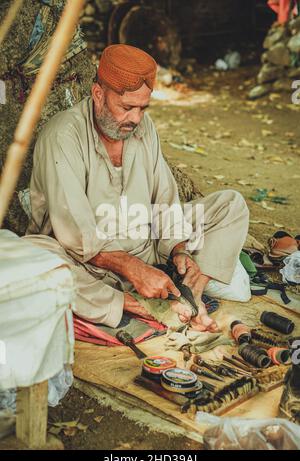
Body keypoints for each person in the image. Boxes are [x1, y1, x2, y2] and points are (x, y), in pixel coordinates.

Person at [25, 44, 250, 331]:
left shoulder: (143, 128)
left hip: (148, 245)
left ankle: (190, 294)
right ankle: (132, 304)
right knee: (31, 256)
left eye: (143, 108)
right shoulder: (62, 136)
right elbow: (75, 232)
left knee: (230, 205)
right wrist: (133, 269)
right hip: (88, 264)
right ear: (98, 95)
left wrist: (179, 250)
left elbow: (165, 199)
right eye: (127, 107)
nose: (136, 118)